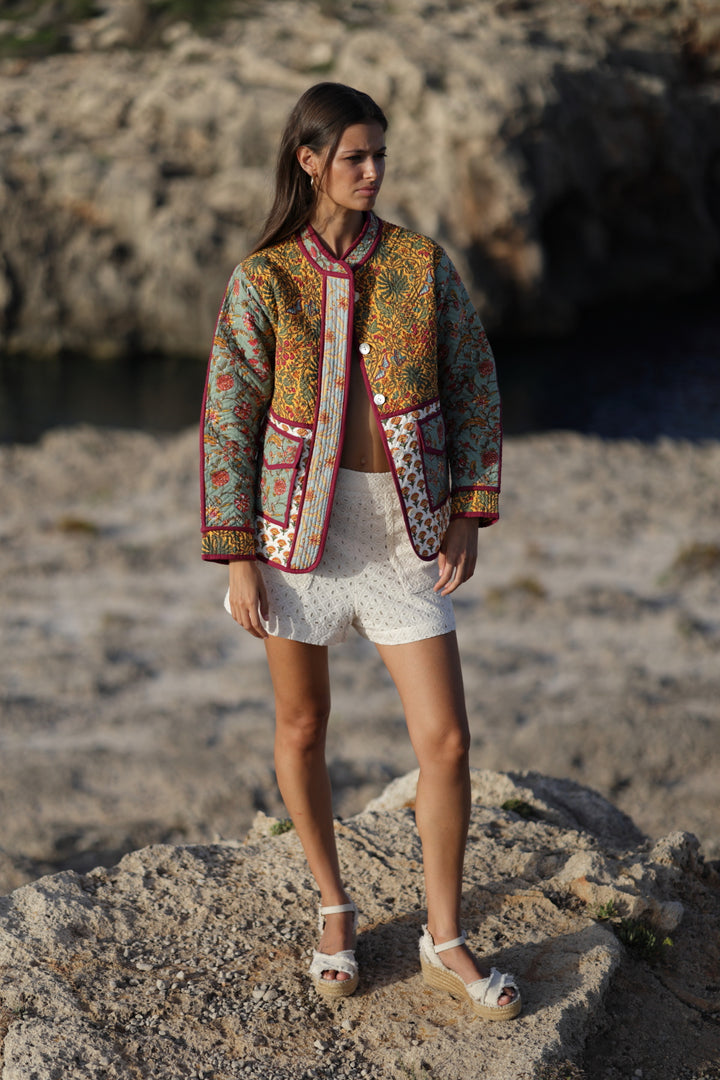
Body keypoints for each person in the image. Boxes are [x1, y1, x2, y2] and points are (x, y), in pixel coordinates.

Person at [200, 82, 521, 1020]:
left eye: (380, 154)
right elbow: (228, 419)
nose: (373, 171)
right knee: (303, 727)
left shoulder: (421, 264)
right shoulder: (264, 279)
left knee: (447, 741)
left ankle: (443, 935)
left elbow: (474, 383)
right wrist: (238, 553)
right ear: (309, 162)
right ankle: (334, 907)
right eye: (355, 157)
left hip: (403, 534)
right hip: (293, 540)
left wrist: (467, 511)